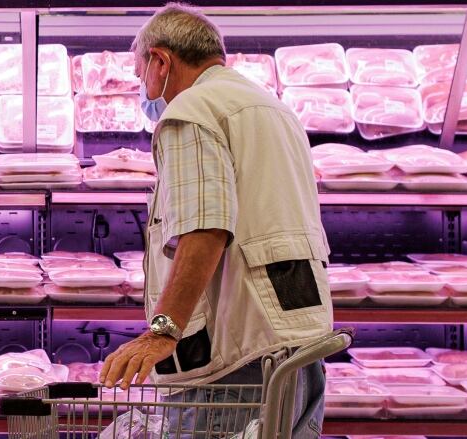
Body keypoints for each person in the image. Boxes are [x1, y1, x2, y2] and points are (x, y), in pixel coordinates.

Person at [98, 3, 333, 438]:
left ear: (161, 61)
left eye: (139, 74)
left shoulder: (192, 111)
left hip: (235, 360)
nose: (142, 88)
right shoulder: (272, 109)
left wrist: (164, 330)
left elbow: (205, 228)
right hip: (299, 345)